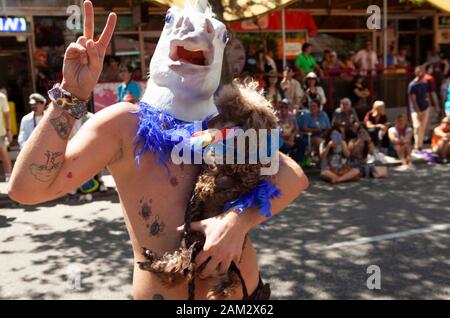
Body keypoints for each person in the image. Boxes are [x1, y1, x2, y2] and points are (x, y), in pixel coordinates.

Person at [8, 1, 308, 301]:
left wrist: (237, 221)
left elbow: (293, 175)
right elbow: (27, 190)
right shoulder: (124, 124)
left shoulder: (226, 122)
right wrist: (71, 95)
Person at [408, 66, 431, 151]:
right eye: (420, 72)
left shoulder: (425, 83)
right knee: (417, 127)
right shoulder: (412, 85)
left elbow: (426, 94)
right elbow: (413, 99)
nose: (422, 74)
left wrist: (428, 103)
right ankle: (417, 145)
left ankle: (419, 146)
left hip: (425, 107)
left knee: (422, 127)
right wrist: (417, 110)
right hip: (415, 109)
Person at [0, 88, 13, 182]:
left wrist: (9, 131)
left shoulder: (2, 97)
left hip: (0, 132)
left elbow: (7, 116)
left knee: (4, 154)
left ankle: (9, 175)